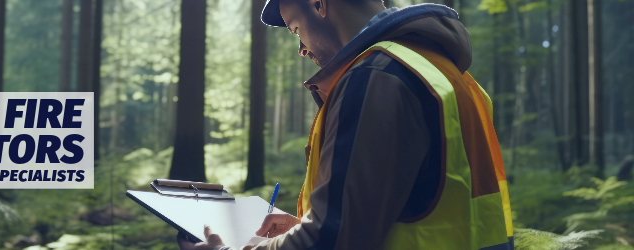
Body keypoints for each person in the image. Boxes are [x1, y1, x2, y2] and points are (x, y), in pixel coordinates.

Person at [178, 0, 513, 249]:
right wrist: (308, 228)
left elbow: (333, 242)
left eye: (296, 29)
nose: (300, 49)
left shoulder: (376, 77)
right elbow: (419, 207)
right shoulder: (444, 73)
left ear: (319, 4)